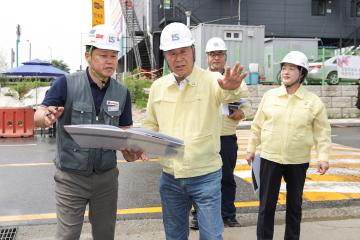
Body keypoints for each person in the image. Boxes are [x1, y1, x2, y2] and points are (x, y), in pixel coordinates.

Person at [34, 24, 145, 240]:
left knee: (105, 235)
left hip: (106, 179)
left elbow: (124, 136)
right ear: (88, 56)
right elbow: (39, 115)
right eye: (103, 55)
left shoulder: (122, 93)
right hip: (71, 178)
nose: (110, 61)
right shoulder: (65, 84)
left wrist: (132, 152)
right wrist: (45, 118)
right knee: (67, 235)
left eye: (113, 55)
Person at [142, 22, 248, 240]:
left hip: (206, 176)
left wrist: (231, 88)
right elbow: (150, 124)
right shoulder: (158, 87)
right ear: (165, 56)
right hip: (170, 178)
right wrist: (141, 143)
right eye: (172, 53)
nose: (179, 58)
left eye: (183, 51)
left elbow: (229, 99)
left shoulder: (212, 80)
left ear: (193, 51)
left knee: (211, 236)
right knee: (174, 236)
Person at [245, 51, 331, 240]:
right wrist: (251, 148)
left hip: (297, 161)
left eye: (292, 68)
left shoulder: (313, 102)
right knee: (266, 206)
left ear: (302, 73)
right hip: (270, 157)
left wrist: (323, 157)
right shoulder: (270, 96)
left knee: (294, 207)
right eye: (284, 68)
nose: (286, 71)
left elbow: (322, 133)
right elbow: (257, 125)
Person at [190, 37, 251, 230]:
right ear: (207, 57)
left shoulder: (236, 79)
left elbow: (246, 104)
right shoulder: (199, 79)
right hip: (204, 136)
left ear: (225, 56)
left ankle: (228, 215)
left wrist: (242, 113)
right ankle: (198, 216)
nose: (216, 58)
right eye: (212, 54)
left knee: (226, 178)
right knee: (200, 178)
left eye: (219, 54)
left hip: (226, 137)